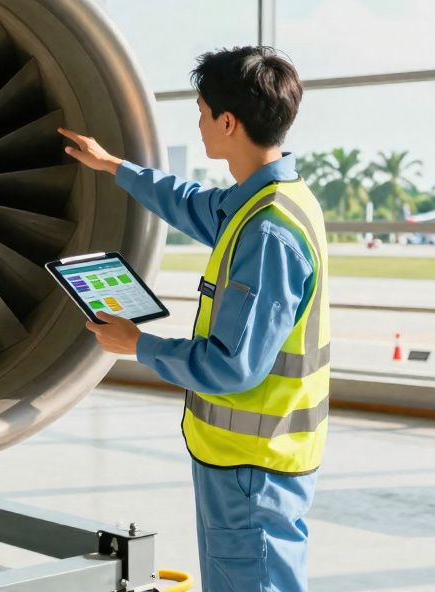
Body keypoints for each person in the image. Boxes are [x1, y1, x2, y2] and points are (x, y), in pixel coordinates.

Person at [58, 46, 329, 592]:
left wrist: (138, 344)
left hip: (253, 466)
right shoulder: (272, 199)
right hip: (248, 459)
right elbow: (194, 204)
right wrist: (113, 166)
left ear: (228, 122)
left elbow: (233, 368)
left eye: (202, 111)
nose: (199, 122)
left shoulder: (268, 231)